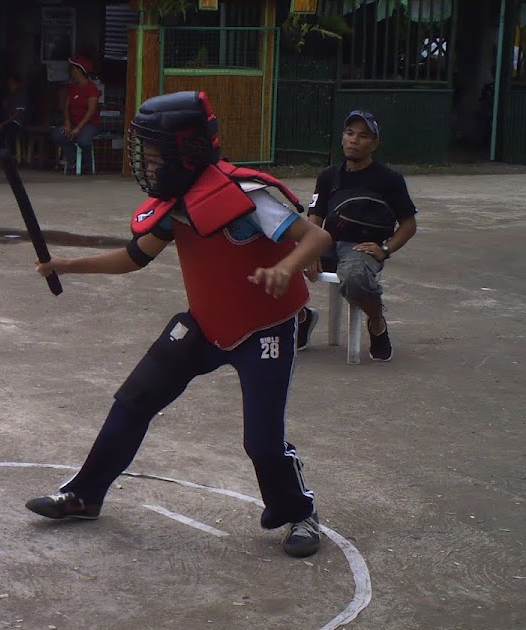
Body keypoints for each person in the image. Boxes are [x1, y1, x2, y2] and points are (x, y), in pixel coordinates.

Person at [24, 91, 332, 559]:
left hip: (264, 330)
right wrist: (67, 264)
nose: (144, 162)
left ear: (185, 150)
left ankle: (299, 512)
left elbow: (317, 236)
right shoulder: (177, 203)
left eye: (152, 152)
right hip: (205, 325)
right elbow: (134, 257)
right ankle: (84, 495)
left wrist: (286, 268)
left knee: (262, 444)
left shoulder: (245, 197)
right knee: (134, 400)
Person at [296, 111, 417, 361]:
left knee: (354, 277)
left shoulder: (390, 180)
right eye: (349, 133)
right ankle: (302, 317)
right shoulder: (329, 176)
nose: (354, 140)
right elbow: (315, 217)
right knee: (276, 258)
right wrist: (311, 249)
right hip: (327, 243)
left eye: (363, 136)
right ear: (342, 138)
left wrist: (385, 249)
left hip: (361, 248)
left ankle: (376, 321)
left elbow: (408, 224)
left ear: (374, 144)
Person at [49, 56, 101, 174]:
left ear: (79, 70)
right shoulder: (73, 87)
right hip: (73, 123)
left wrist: (78, 128)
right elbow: (66, 107)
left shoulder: (91, 88)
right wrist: (67, 123)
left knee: (83, 141)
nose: (71, 70)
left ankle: (87, 165)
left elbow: (91, 111)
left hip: (89, 124)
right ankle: (73, 160)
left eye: (73, 68)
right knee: (57, 134)